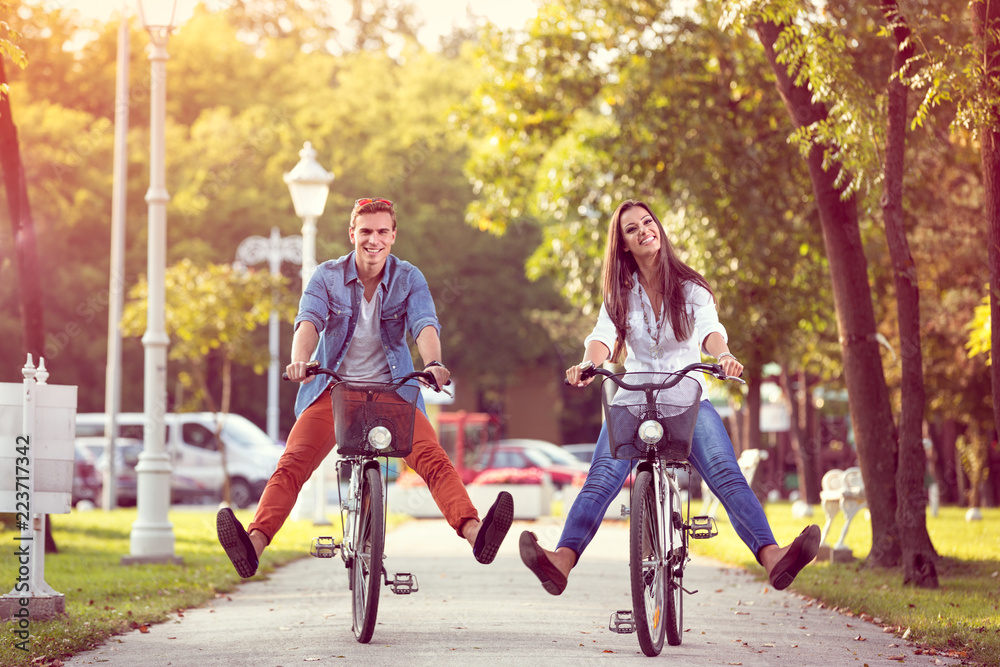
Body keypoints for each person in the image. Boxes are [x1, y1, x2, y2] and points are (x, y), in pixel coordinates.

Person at [519, 199, 820, 595]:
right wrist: (588, 365)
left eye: (648, 222)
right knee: (601, 479)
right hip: (633, 398)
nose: (644, 230)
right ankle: (562, 560)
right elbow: (602, 338)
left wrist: (724, 355)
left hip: (685, 399)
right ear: (623, 244)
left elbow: (710, 330)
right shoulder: (619, 294)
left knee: (726, 475)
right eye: (632, 228)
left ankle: (772, 557)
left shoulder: (691, 287)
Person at [218, 197, 514, 577]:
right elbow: (308, 320)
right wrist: (301, 361)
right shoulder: (326, 276)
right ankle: (253, 544)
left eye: (382, 232)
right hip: (334, 391)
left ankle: (476, 534)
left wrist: (434, 363)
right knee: (292, 464)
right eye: (366, 231)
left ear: (393, 236)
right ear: (352, 234)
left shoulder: (409, 278)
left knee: (435, 461)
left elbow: (424, 322)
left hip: (394, 395)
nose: (373, 240)